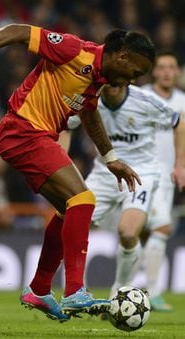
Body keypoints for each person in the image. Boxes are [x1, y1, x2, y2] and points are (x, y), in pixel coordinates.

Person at [0, 24, 155, 321]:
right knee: (84, 199)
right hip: (23, 131)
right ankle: (75, 290)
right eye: (135, 72)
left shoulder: (97, 80)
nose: (131, 81)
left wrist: (110, 157)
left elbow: (89, 113)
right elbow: (17, 31)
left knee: (70, 210)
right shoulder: (74, 50)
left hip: (36, 138)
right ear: (122, 57)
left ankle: (39, 289)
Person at [68, 85, 185, 308]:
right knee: (72, 226)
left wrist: (180, 164)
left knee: (129, 232)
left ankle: (119, 291)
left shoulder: (145, 100)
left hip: (141, 174)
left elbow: (178, 122)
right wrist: (62, 157)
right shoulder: (91, 99)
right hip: (104, 174)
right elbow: (65, 124)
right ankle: (77, 292)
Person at [140, 50, 185, 311]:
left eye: (171, 67)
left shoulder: (182, 101)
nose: (167, 71)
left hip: (167, 177)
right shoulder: (142, 96)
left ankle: (148, 291)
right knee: (157, 229)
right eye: (162, 67)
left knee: (155, 231)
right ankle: (149, 291)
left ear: (177, 72)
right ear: (154, 71)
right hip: (141, 174)